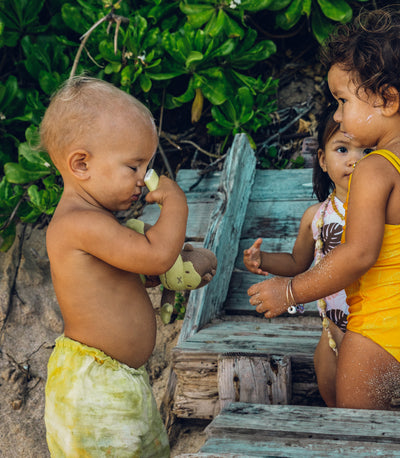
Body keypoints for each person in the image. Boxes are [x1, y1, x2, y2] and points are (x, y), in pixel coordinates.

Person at [247, 8, 400, 410]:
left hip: (382, 331)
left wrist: (290, 290)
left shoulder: (376, 169)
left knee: (357, 436)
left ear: (386, 99)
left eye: (342, 100)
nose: (337, 115)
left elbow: (358, 254)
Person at [41, 76, 189, 456]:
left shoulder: (98, 223)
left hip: (121, 381)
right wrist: (175, 203)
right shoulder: (80, 224)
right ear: (81, 164)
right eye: (133, 166)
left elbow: (141, 272)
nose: (143, 180)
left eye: (147, 166)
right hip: (94, 393)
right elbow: (156, 254)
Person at [244, 108, 373, 406]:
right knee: (331, 392)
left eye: (368, 150)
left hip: (373, 331)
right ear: (323, 160)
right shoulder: (316, 217)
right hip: (331, 329)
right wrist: (262, 260)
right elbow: (297, 263)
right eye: (342, 149)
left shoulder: (384, 212)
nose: (355, 159)